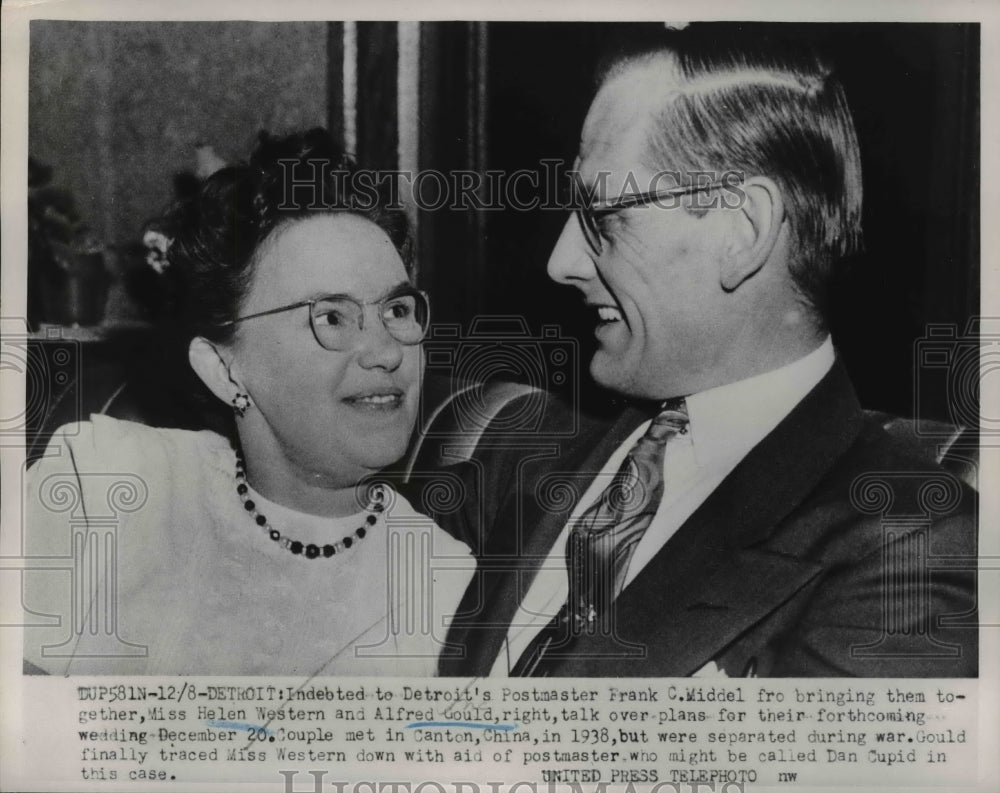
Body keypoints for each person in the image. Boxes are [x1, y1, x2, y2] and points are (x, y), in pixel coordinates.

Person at [434, 27, 977, 677]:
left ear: (742, 230)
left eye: (603, 217)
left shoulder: (907, 540)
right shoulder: (517, 451)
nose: (561, 261)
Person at [23, 128, 474, 676]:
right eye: (331, 316)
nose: (385, 352)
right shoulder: (104, 488)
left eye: (398, 311)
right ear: (223, 368)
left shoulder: (449, 591)